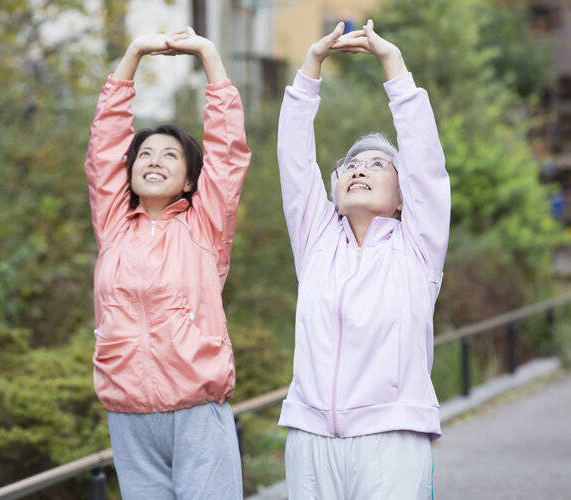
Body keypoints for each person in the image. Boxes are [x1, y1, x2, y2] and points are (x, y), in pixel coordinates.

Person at [276, 20, 450, 499]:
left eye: (379, 164)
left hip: (392, 437)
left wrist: (392, 65)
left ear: (402, 195)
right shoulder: (316, 242)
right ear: (334, 191)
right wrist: (311, 66)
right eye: (351, 164)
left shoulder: (417, 247)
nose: (359, 169)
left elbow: (428, 165)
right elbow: (294, 162)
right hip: (310, 438)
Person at [84, 27, 250, 499]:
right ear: (130, 171)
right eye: (144, 155)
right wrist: (134, 54)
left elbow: (227, 154)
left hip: (196, 409)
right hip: (129, 414)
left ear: (188, 180)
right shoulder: (115, 226)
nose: (153, 161)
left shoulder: (204, 227)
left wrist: (209, 56)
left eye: (170, 155)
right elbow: (103, 149)